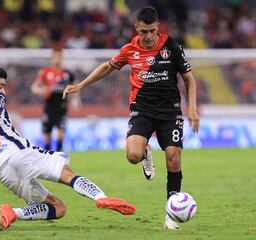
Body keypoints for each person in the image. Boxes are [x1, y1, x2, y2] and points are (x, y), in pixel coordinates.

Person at [63, 6, 200, 230]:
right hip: (142, 110)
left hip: (170, 112)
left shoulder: (171, 46)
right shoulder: (129, 49)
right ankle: (145, 151)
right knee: (133, 156)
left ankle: (170, 214)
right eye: (143, 31)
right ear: (136, 28)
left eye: (152, 31)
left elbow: (189, 79)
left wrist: (192, 109)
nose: (147, 36)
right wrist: (80, 85)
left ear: (158, 28)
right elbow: (107, 67)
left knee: (174, 159)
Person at [0, 66, 135, 229]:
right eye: (1, 85)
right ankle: (101, 198)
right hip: (18, 153)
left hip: (2, 171)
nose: (3, 90)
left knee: (58, 208)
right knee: (67, 173)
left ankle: (13, 212)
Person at [31, 48, 74, 151]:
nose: (57, 59)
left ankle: (59, 156)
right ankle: (48, 158)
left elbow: (73, 88)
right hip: (49, 107)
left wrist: (75, 100)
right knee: (48, 136)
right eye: (55, 57)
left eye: (59, 56)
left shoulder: (68, 73)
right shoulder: (45, 72)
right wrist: (43, 90)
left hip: (62, 107)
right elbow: (34, 87)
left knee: (61, 134)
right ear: (52, 58)